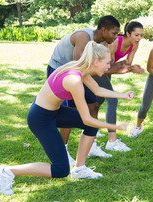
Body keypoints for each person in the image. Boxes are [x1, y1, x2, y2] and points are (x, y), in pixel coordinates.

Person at [0, 42, 135, 195]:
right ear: (96, 62)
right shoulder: (74, 80)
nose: (108, 67)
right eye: (107, 63)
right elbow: (86, 118)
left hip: (55, 112)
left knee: (92, 127)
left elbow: (97, 89)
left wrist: (122, 95)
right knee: (60, 169)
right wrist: (115, 127)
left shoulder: (80, 68)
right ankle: (5, 172)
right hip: (41, 119)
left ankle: (79, 169)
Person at [47, 15, 125, 160]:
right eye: (113, 33)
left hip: (76, 73)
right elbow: (80, 65)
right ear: (103, 29)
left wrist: (116, 67)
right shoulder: (84, 37)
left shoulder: (100, 43)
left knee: (93, 105)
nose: (116, 37)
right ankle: (63, 150)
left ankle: (91, 146)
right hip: (60, 71)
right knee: (70, 111)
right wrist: (113, 69)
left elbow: (90, 70)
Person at [94, 21, 145, 152]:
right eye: (136, 35)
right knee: (112, 100)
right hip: (98, 68)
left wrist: (133, 68)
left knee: (99, 99)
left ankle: (91, 128)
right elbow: (109, 66)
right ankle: (112, 141)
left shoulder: (134, 45)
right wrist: (128, 68)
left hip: (107, 68)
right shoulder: (116, 42)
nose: (139, 38)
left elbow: (126, 63)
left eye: (141, 35)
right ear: (128, 33)